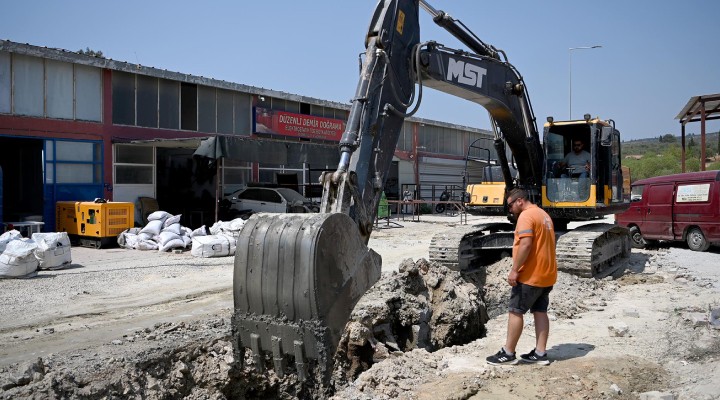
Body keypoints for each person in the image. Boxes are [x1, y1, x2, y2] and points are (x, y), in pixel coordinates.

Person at [486, 188, 557, 365]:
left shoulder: (526, 216)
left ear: (520, 201)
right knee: (540, 311)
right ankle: (540, 353)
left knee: (515, 311)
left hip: (530, 275)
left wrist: (515, 270)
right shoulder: (543, 215)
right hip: (546, 275)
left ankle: (508, 353)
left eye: (510, 205)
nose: (510, 209)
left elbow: (526, 244)